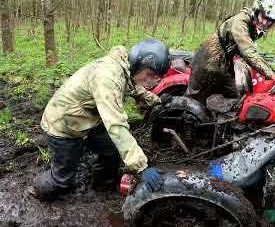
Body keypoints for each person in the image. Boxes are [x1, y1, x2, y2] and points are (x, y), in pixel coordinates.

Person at [32, 38, 172, 201]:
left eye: (153, 77)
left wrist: (157, 100)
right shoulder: (108, 76)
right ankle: (36, 190)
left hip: (89, 119)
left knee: (111, 150)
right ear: (139, 63)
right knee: (63, 180)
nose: (149, 80)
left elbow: (134, 88)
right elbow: (116, 125)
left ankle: (102, 185)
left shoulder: (125, 69)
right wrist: (142, 167)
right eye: (149, 74)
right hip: (64, 124)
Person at [187, 0, 275, 104]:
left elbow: (252, 51)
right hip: (210, 60)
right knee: (194, 98)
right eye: (264, 17)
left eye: (270, 21)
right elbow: (249, 52)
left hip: (225, 61)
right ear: (257, 10)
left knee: (236, 93)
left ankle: (215, 116)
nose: (265, 23)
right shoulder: (240, 23)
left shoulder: (255, 25)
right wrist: (272, 76)